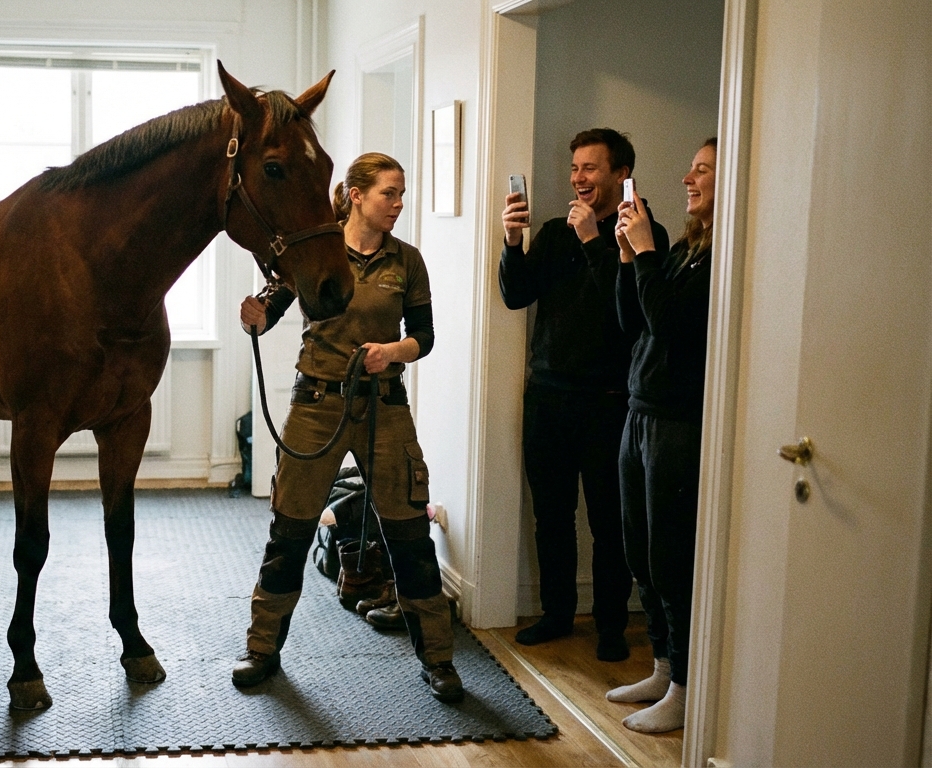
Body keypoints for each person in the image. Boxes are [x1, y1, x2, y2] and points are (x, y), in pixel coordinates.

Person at [232, 153, 461, 701]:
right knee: (288, 534)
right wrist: (255, 315)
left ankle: (439, 661)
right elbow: (272, 310)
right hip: (316, 405)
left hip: (385, 405)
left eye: (402, 194)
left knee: (410, 537)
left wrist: (392, 351)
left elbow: (423, 338)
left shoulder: (408, 261)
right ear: (356, 194)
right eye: (389, 193)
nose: (398, 204)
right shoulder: (316, 249)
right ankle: (261, 650)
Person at [499, 129, 669, 660]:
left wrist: (596, 240)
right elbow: (515, 294)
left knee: (608, 519)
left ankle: (612, 625)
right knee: (549, 513)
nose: (578, 178)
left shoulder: (645, 236)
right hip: (547, 397)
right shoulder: (553, 232)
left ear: (622, 174)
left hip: (609, 400)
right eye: (575, 168)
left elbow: (626, 317)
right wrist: (512, 244)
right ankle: (555, 613)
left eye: (590, 168)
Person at [605, 138, 717, 734]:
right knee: (639, 551)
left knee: (672, 558)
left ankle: (685, 688)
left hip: (680, 422)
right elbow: (634, 322)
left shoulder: (723, 254)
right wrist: (629, 257)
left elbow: (673, 325)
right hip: (639, 411)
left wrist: (646, 250)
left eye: (702, 170)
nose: (687, 178)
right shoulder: (684, 250)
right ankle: (664, 663)